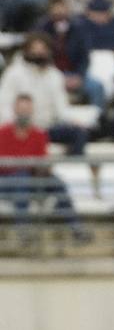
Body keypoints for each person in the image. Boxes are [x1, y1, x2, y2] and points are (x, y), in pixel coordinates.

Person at [0, 94, 84, 243]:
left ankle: (76, 228)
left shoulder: (39, 134)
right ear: (15, 110)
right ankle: (23, 232)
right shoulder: (3, 133)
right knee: (22, 178)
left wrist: (40, 169)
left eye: (27, 110)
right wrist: (26, 167)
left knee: (57, 183)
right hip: (7, 183)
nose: (24, 114)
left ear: (32, 111)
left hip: (32, 179)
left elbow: (42, 161)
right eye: (21, 110)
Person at [0, 34, 88, 155]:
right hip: (21, 127)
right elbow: (4, 105)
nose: (39, 54)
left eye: (42, 50)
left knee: (79, 133)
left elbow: (61, 108)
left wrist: (73, 121)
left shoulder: (55, 75)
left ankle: (76, 167)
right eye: (35, 50)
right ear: (27, 51)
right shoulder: (14, 74)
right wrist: (15, 127)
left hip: (46, 128)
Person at [37, 0, 104, 110]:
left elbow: (84, 57)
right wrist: (58, 77)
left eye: (62, 8)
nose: (60, 12)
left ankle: (98, 120)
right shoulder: (42, 29)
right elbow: (41, 56)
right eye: (56, 10)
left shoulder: (78, 29)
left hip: (75, 73)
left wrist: (79, 76)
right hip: (51, 74)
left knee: (96, 87)